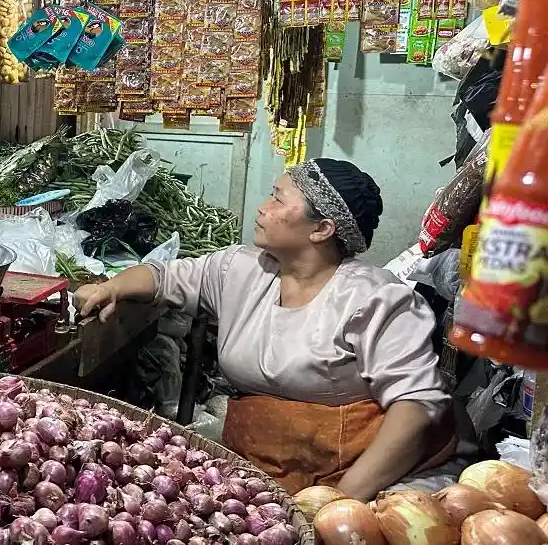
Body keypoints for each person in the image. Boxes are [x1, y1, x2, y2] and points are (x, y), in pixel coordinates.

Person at [74, 158, 459, 501]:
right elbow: (164, 277)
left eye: (277, 199)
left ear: (322, 228)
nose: (262, 207)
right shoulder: (242, 269)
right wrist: (111, 287)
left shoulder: (377, 300)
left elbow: (417, 407)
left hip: (374, 478)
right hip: (272, 470)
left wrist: (340, 502)